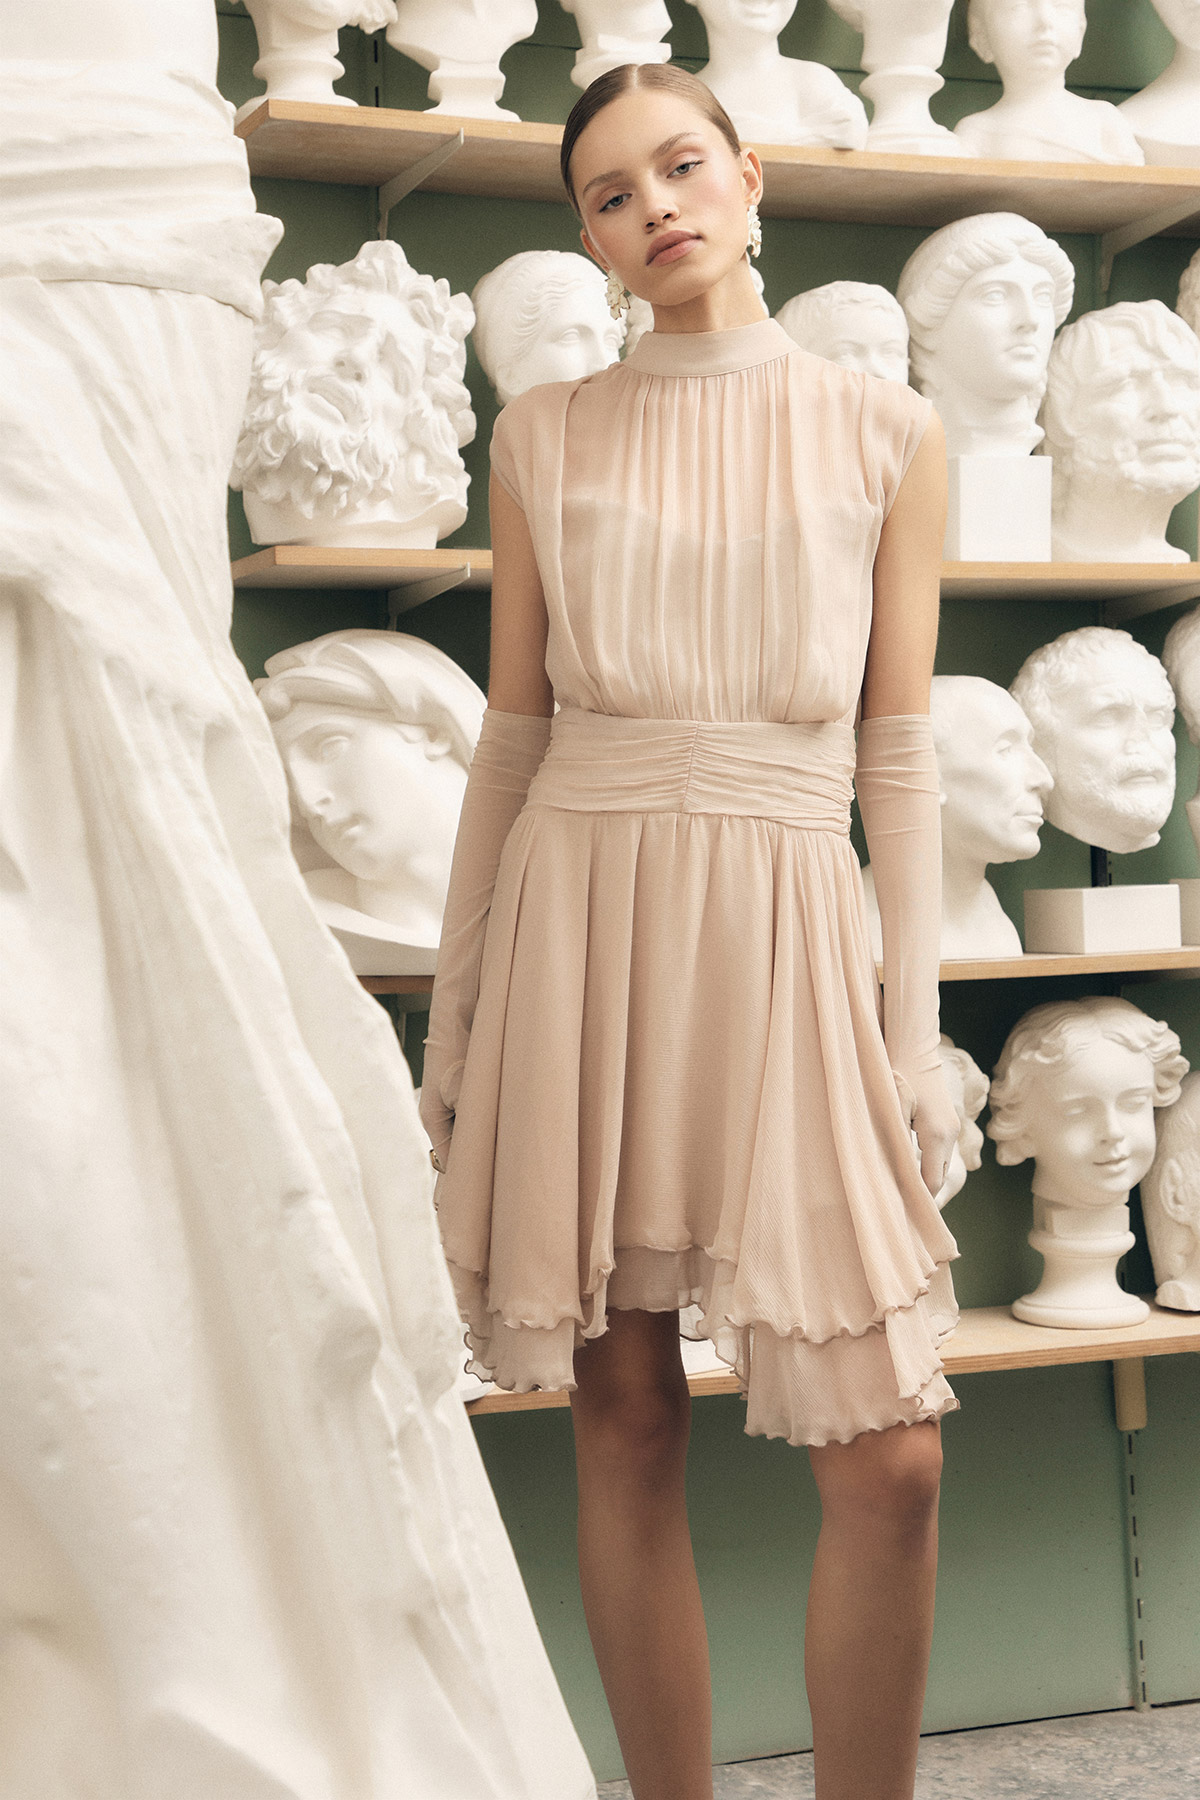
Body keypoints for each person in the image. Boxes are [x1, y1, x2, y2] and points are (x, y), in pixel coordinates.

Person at [421, 60, 961, 1800]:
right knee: (626, 1412)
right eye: (607, 193)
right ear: (588, 236)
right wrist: (456, 1019)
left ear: (748, 178)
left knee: (892, 1462)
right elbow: (512, 739)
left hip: (796, 924)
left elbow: (899, 752)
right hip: (583, 922)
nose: (653, 206)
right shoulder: (542, 436)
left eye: (679, 167)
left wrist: (912, 1027)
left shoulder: (888, 429)